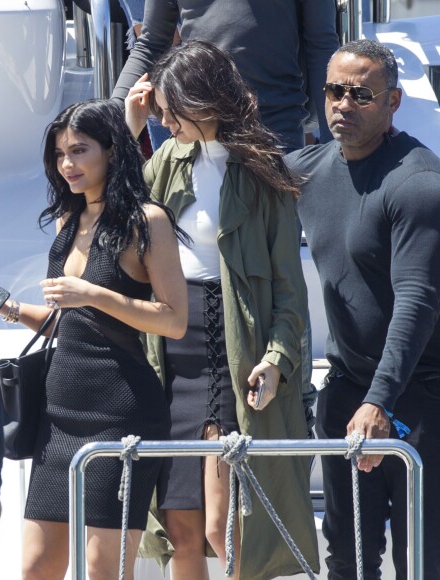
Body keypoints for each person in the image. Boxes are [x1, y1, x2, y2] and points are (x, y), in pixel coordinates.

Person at [0, 98, 188, 580]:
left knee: (102, 570)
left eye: (79, 151)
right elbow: (67, 320)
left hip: (120, 411)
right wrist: (3, 305)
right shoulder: (69, 221)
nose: (66, 164)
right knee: (36, 567)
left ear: (112, 151)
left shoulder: (147, 220)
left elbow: (173, 320)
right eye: (59, 154)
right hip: (58, 411)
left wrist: (93, 293)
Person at [125, 40, 319, 580]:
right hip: (169, 349)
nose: (163, 119)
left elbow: (288, 287)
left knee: (222, 526)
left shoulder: (263, 174)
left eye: (169, 108)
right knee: (180, 527)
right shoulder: (164, 160)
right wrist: (131, 127)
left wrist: (278, 356)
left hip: (229, 352)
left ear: (202, 99)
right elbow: (111, 212)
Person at [286, 39, 440, 579]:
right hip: (350, 390)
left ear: (394, 101)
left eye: (361, 94)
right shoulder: (308, 168)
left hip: (420, 397)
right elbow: (230, 169)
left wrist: (380, 403)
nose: (343, 104)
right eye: (334, 91)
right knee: (349, 559)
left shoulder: (418, 183)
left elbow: (417, 299)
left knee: (421, 559)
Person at [112, 0, 339, 152]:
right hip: (196, 130)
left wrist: (335, 147)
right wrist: (109, 114)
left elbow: (320, 45)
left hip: (275, 131)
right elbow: (151, 44)